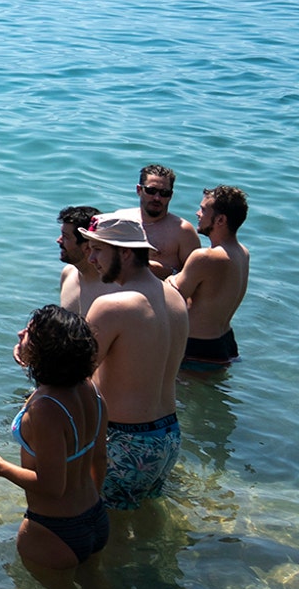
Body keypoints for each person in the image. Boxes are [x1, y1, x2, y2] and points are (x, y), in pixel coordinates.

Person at [0, 306, 109, 571]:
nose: (19, 332)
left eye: (29, 333)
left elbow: (52, 486)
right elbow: (100, 458)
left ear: (46, 352)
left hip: (54, 528)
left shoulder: (45, 409)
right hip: (94, 516)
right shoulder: (90, 390)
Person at [80, 215, 188, 509]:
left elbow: (73, 375)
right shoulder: (176, 298)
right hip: (167, 437)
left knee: (100, 528)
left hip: (124, 441)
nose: (90, 258)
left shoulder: (112, 306)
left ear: (125, 252)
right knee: (145, 522)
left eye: (98, 249)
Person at [171, 185, 249, 368]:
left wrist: (167, 275)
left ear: (220, 219)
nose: (198, 213)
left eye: (204, 210)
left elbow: (174, 296)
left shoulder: (205, 256)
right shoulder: (242, 253)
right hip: (225, 341)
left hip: (197, 346)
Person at [116, 164, 201, 277]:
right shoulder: (120, 219)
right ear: (139, 190)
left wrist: (167, 272)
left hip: (161, 291)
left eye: (164, 193)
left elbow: (197, 276)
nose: (157, 198)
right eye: (151, 191)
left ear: (170, 195)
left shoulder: (182, 231)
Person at [56, 205, 110, 317]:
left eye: (65, 237)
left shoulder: (112, 289)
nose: (58, 240)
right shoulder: (68, 273)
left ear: (87, 247)